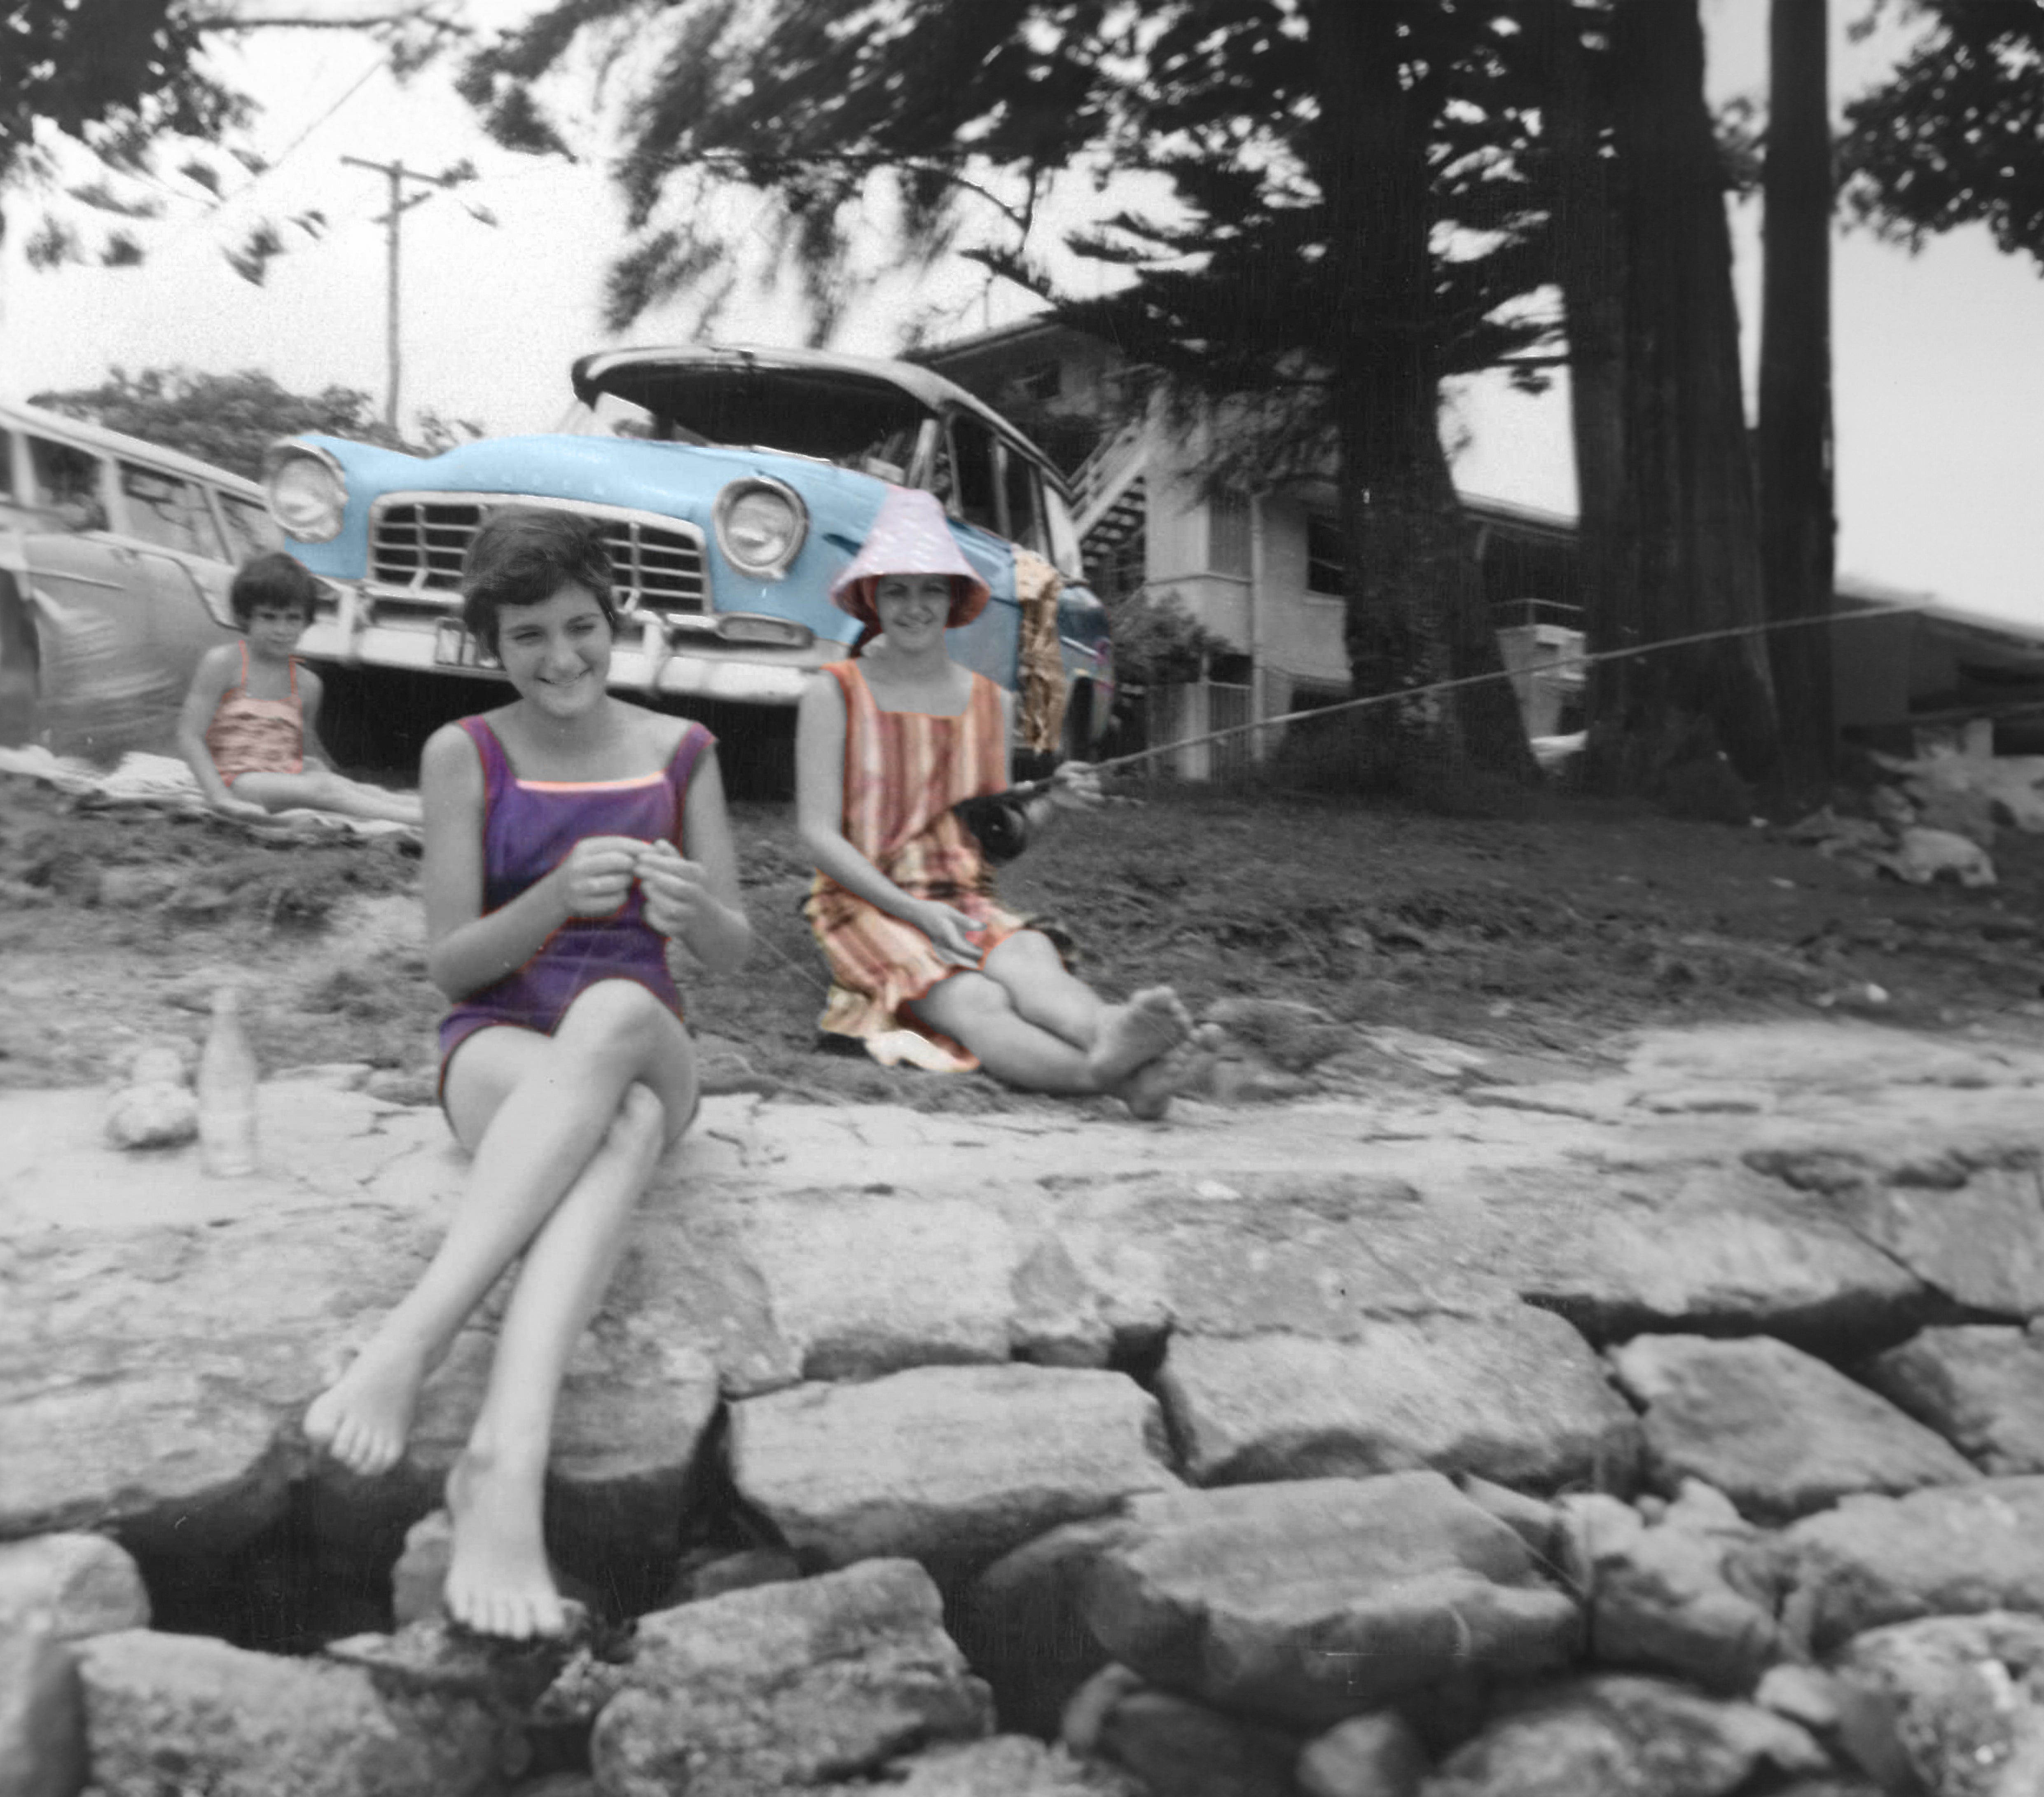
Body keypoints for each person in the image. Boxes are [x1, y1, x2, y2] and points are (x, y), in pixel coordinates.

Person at [303, 508, 751, 1639]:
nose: (560, 658)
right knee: (617, 1126)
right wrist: (552, 899)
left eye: (579, 627)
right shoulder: (464, 752)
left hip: (645, 1036)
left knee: (615, 1013)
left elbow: (733, 951)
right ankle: (504, 1461)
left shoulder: (683, 750)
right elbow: (451, 965)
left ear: (614, 619)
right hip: (498, 1047)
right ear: (489, 645)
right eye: (527, 637)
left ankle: (411, 1339)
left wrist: (693, 911)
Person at [795, 484, 1191, 1117]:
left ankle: (1107, 1035)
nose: (914, 607)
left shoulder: (990, 703)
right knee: (977, 1000)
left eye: (930, 589)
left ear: (953, 598)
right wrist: (915, 912)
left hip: (964, 899)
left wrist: (1054, 804)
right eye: (896, 590)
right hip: (866, 904)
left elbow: (990, 837)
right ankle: (1111, 1077)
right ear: (872, 597)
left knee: (1032, 960)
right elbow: (817, 836)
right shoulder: (833, 693)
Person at [175, 550, 423, 826]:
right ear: (245, 618)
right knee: (325, 789)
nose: (281, 630)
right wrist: (220, 797)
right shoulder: (225, 663)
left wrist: (321, 769)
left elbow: (303, 746)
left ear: (307, 622)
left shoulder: (307, 683)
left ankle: (434, 806)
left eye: (292, 618)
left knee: (351, 787)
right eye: (269, 617)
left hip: (282, 777)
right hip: (236, 779)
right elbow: (190, 736)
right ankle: (419, 819)